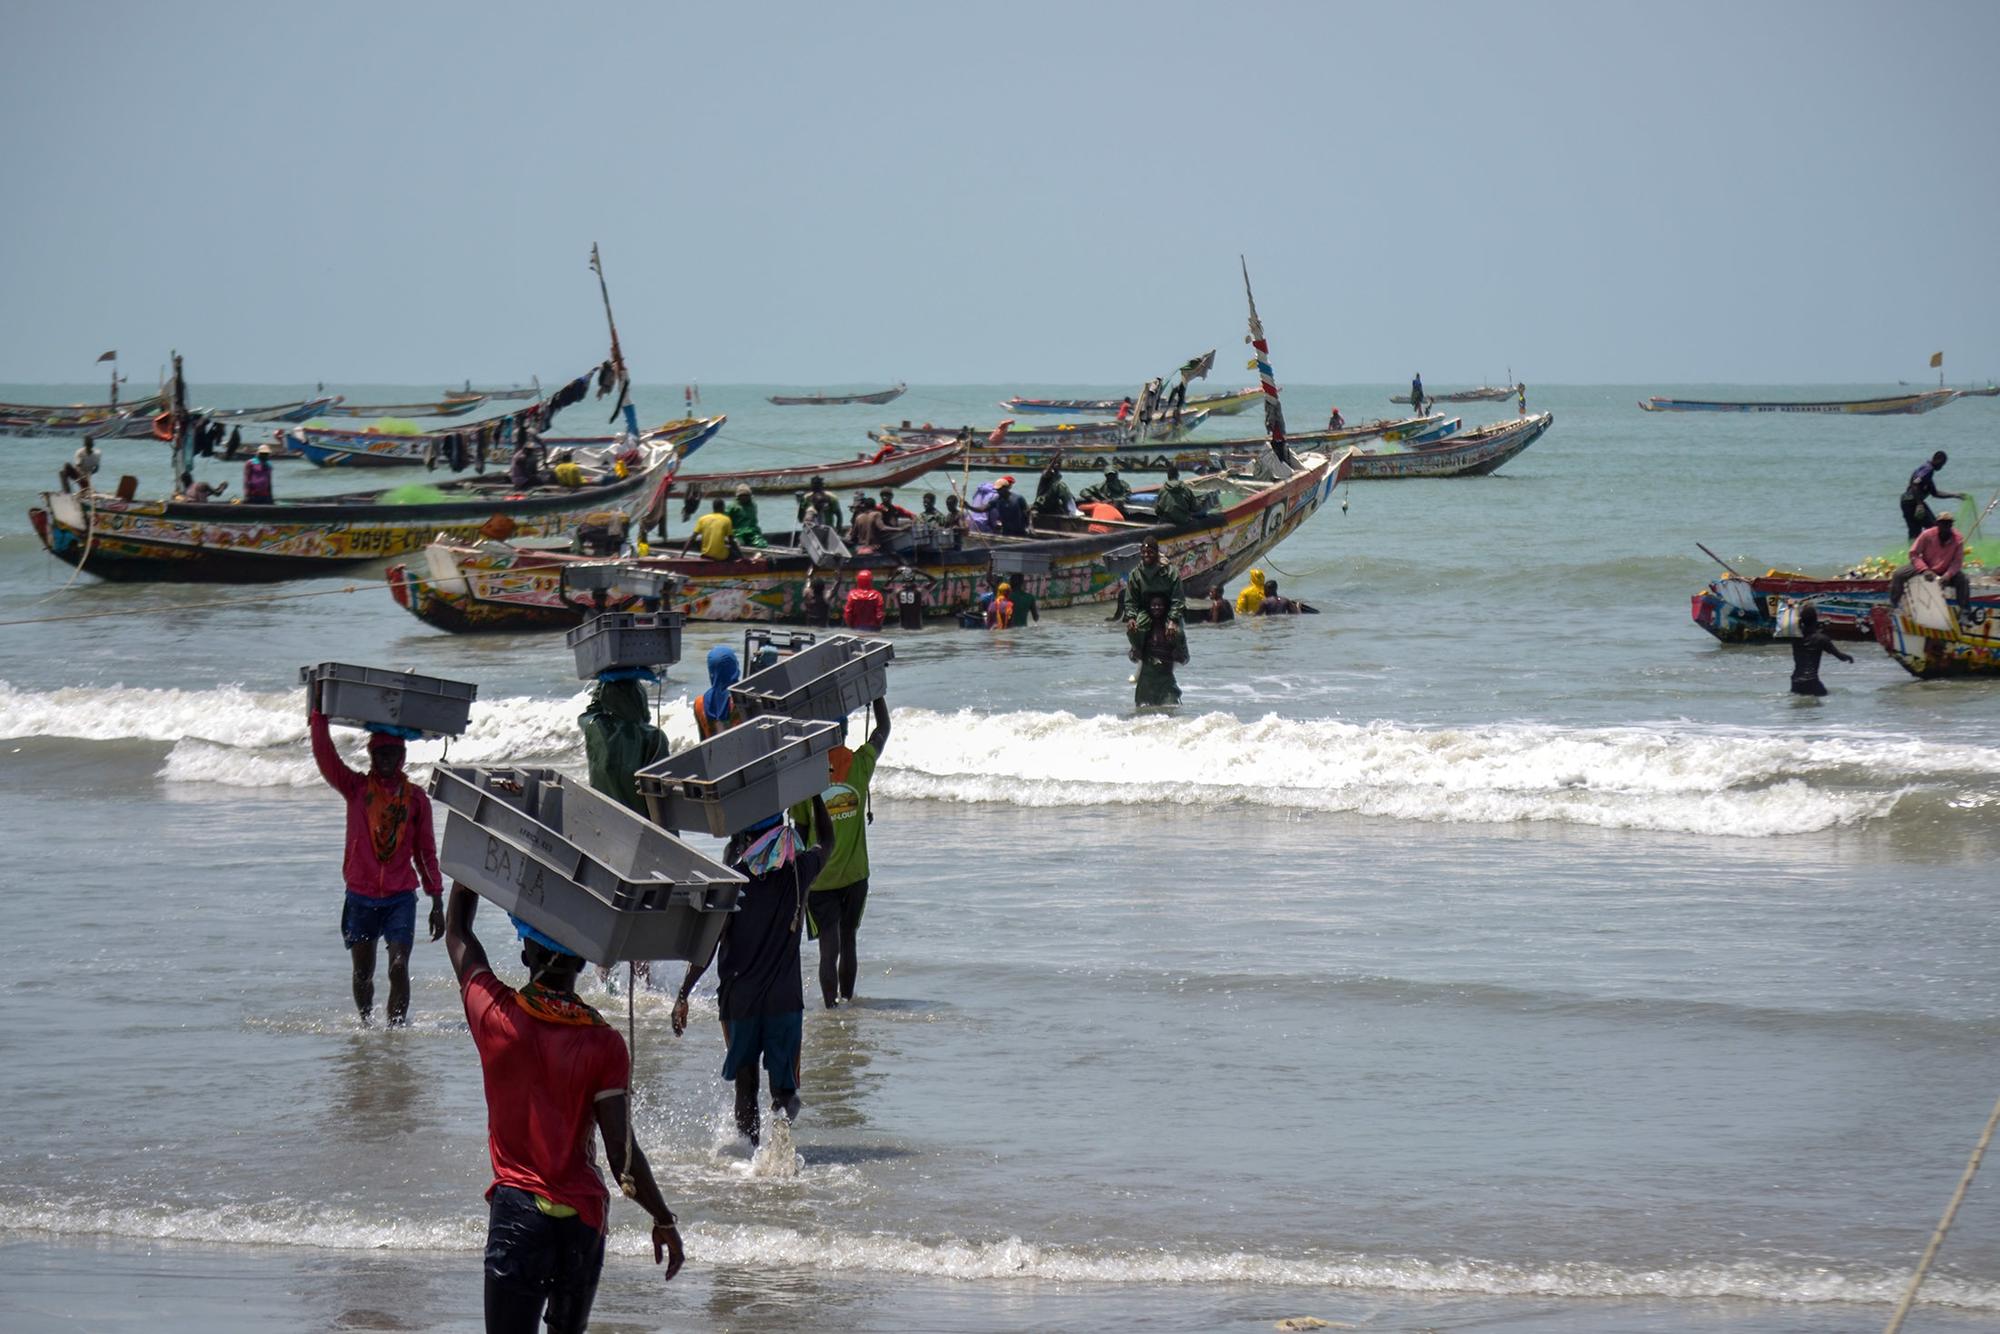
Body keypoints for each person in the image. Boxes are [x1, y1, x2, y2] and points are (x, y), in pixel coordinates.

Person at [442, 888, 683, 1333]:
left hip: (517, 1219)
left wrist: (472, 863)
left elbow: (457, 932)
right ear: (585, 961)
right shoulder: (605, 1043)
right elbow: (621, 1156)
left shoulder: (496, 1016)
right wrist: (663, 1217)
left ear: (526, 952)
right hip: (581, 1225)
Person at [672, 796, 834, 1147]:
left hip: (739, 1002)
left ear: (746, 840)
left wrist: (683, 993)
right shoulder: (798, 871)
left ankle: (750, 1158)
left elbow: (708, 944)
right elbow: (828, 842)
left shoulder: (731, 883)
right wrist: (815, 793)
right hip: (784, 1003)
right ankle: (780, 1134)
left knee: (745, 1087)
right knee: (786, 1093)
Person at [307, 697, 443, 1027]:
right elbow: (326, 758)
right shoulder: (355, 788)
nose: (386, 760)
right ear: (371, 755)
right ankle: (367, 1027)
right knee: (362, 973)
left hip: (400, 897)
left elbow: (425, 852)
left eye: (393, 754)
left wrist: (436, 899)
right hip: (360, 896)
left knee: (398, 966)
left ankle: (396, 1032)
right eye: (380, 754)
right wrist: (318, 715)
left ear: (402, 756)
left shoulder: (416, 800)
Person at [793, 698, 889, 1009]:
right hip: (856, 874)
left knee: (828, 948)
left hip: (819, 878)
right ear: (846, 731)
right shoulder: (861, 764)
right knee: (849, 941)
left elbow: (801, 827)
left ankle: (831, 1011)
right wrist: (876, 695)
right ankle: (847, 1002)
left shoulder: (805, 777)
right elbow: (883, 729)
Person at [579, 677, 669, 814]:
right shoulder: (654, 736)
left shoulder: (594, 728)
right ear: (641, 700)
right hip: (642, 821)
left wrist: (605, 677)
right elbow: (662, 789)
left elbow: (592, 710)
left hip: (603, 816)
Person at [1891, 513, 1973, 613]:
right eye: (1943, 524)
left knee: (1963, 580)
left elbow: (1957, 562)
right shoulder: (1927, 535)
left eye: (1948, 524)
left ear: (1951, 525)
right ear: (1937, 524)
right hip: (1926, 566)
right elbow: (1914, 554)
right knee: (1899, 574)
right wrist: (1925, 570)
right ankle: (1894, 604)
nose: (1946, 527)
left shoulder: (1958, 539)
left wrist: (1948, 575)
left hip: (1945, 570)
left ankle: (1965, 611)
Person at [1129, 592, 1188, 707]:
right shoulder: (1143, 630)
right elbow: (1133, 656)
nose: (1157, 608)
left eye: (1160, 605)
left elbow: (1185, 658)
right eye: (1154, 605)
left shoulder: (1175, 632)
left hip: (1166, 681)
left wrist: (1178, 655)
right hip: (1146, 683)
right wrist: (1135, 654)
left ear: (1166, 608)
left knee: (1171, 712)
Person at [1124, 536, 1186, 644]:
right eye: (1143, 552)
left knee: (1177, 633)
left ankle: (1180, 653)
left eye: (1150, 552)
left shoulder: (1170, 572)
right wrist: (1131, 617)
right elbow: (1131, 599)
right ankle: (1138, 652)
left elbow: (1178, 598)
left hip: (1167, 610)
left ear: (1156, 553)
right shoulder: (1136, 574)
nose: (1146, 555)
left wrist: (1173, 619)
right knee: (1133, 630)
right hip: (1146, 610)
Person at [1789, 604, 1853, 697]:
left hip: (1796, 682)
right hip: (1812, 682)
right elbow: (1840, 657)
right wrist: (1849, 657)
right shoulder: (1821, 639)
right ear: (1816, 620)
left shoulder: (1795, 637)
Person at [1901, 451, 1964, 539]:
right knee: (1934, 527)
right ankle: (1936, 549)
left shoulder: (1927, 472)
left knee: (1915, 531)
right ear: (1937, 459)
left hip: (1906, 501)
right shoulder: (1928, 469)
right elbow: (1915, 483)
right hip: (1912, 501)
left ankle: (1914, 550)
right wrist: (1919, 504)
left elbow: (1935, 493)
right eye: (1942, 464)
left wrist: (1954, 495)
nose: (1941, 467)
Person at [695, 645, 747, 739]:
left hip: (714, 752)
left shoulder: (699, 703)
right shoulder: (743, 699)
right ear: (735, 667)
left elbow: (703, 742)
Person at [725, 484, 768, 548]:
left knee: (761, 544)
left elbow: (754, 521)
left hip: (752, 532)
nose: (744, 497)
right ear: (738, 496)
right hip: (737, 532)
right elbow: (724, 521)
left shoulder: (753, 505)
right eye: (742, 495)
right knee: (739, 544)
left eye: (746, 495)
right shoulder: (732, 507)